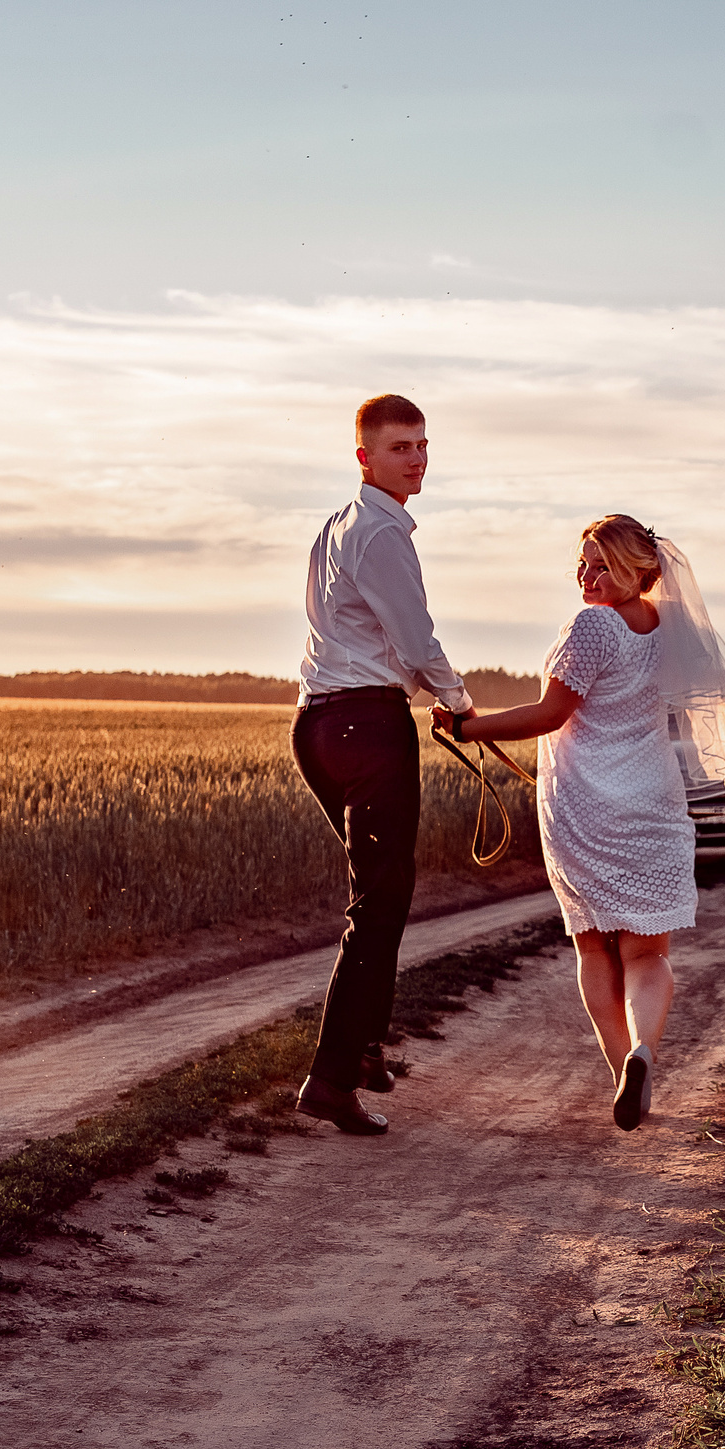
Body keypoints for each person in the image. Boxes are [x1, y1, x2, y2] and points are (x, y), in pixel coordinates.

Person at [436, 515, 725, 1129]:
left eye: (602, 566)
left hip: (586, 807)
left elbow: (549, 713)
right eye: (582, 563)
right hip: (655, 806)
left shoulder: (593, 625)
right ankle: (643, 1052)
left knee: (593, 944)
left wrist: (465, 726)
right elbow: (709, 704)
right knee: (648, 953)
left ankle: (624, 1072)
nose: (587, 576)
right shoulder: (669, 627)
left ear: (636, 573)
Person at [290, 394, 473, 1135]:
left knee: (381, 894)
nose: (418, 458)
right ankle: (331, 1080)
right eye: (401, 447)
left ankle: (362, 1047)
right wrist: (458, 701)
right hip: (367, 724)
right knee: (380, 904)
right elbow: (417, 639)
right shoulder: (382, 534)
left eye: (424, 445)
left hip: (320, 724)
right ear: (364, 456)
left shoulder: (338, 527)